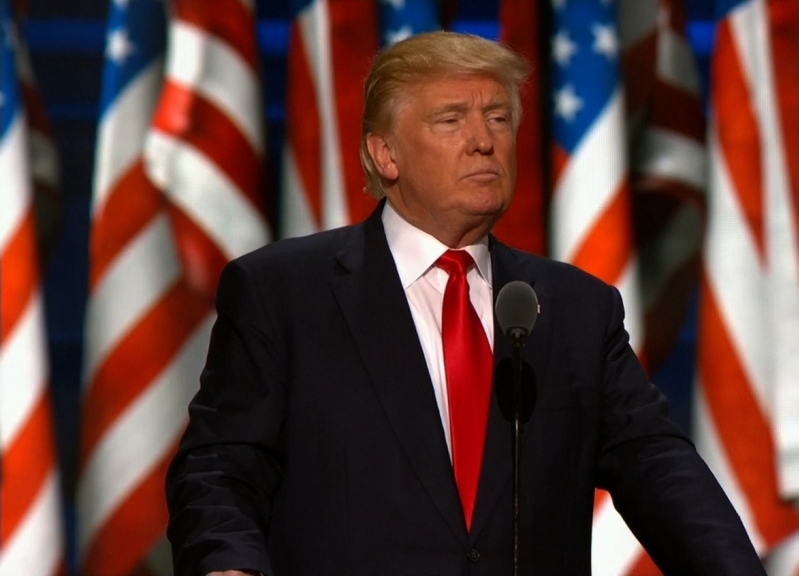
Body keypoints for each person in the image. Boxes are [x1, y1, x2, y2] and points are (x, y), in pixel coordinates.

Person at [165, 31, 765, 576]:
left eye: (498, 118)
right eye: (452, 120)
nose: (483, 142)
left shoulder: (574, 309)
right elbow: (219, 469)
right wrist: (229, 567)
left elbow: (657, 467)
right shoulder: (284, 294)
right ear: (385, 155)